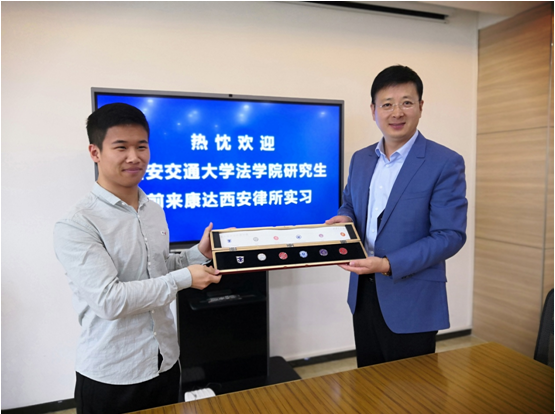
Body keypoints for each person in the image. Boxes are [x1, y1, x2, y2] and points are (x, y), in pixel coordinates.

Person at [53, 103, 221, 414]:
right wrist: (184, 279)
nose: (134, 157)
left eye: (141, 146)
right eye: (121, 147)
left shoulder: (153, 210)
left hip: (165, 362)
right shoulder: (77, 223)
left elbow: (157, 269)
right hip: (113, 374)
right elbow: (110, 300)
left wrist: (198, 254)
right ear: (95, 152)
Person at [326, 65, 467, 368]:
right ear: (373, 110)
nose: (397, 112)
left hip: (413, 297)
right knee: (368, 381)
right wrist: (344, 219)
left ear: (421, 106)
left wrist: (388, 264)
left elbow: (450, 236)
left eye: (406, 102)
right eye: (387, 104)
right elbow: (349, 204)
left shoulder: (445, 162)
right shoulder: (361, 159)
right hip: (363, 291)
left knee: (413, 387)